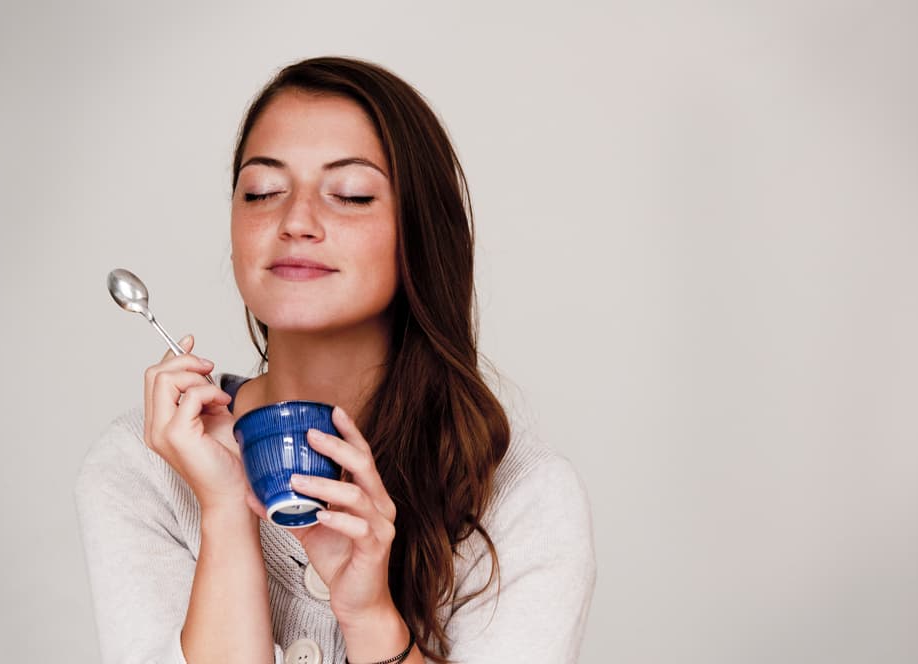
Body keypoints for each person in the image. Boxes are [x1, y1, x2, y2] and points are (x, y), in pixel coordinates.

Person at [76, 56, 596, 664]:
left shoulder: (520, 498)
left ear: (420, 232)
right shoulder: (143, 469)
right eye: (262, 192)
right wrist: (224, 511)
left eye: (350, 196)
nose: (295, 220)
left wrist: (370, 617)